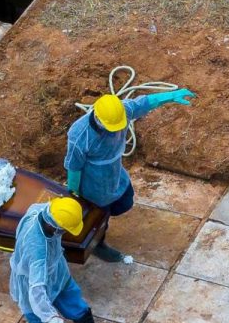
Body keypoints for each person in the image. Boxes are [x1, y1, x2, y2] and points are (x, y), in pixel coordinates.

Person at [64, 89, 194, 262]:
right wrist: (74, 195)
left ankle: (100, 227)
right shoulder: (80, 135)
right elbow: (74, 168)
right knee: (100, 215)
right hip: (94, 184)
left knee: (124, 202)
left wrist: (170, 95)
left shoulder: (122, 111)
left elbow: (146, 102)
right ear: (98, 119)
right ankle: (97, 244)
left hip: (115, 173)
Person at [9, 196, 119, 323]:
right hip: (32, 277)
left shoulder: (43, 210)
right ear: (54, 227)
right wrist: (52, 319)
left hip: (55, 268)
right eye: (64, 230)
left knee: (70, 294)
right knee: (33, 308)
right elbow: (36, 289)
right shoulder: (38, 250)